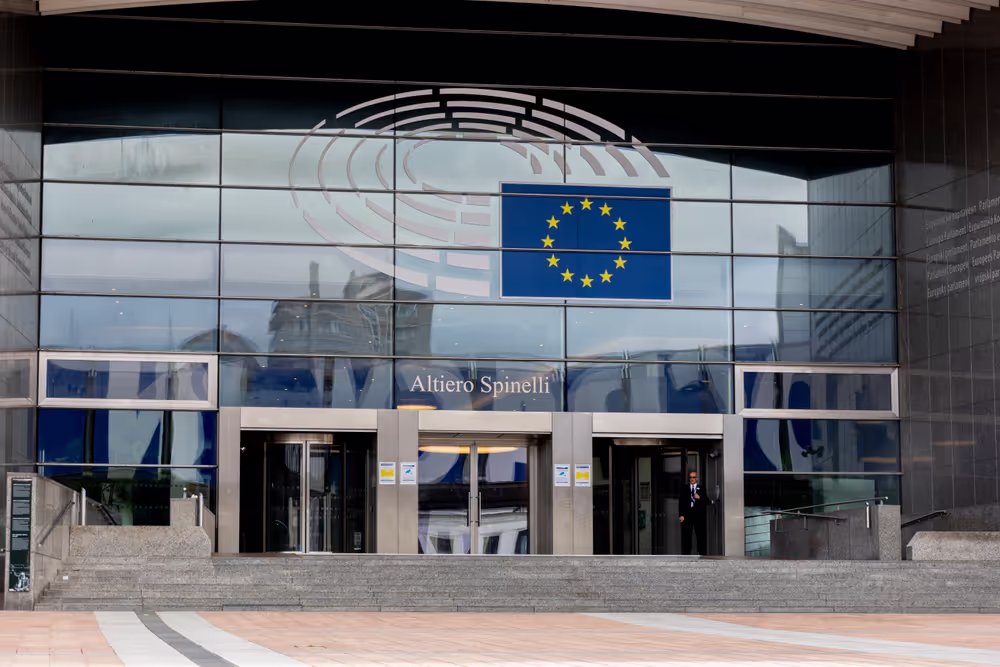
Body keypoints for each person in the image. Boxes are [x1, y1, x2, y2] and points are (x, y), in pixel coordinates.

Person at [679, 470, 707, 556]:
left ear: (697, 478)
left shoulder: (701, 489)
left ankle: (702, 554)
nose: (692, 479)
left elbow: (707, 501)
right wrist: (681, 515)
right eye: (690, 477)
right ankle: (686, 555)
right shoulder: (685, 488)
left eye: (693, 477)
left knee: (700, 535)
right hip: (687, 515)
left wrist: (699, 498)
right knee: (686, 536)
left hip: (698, 515)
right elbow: (681, 502)